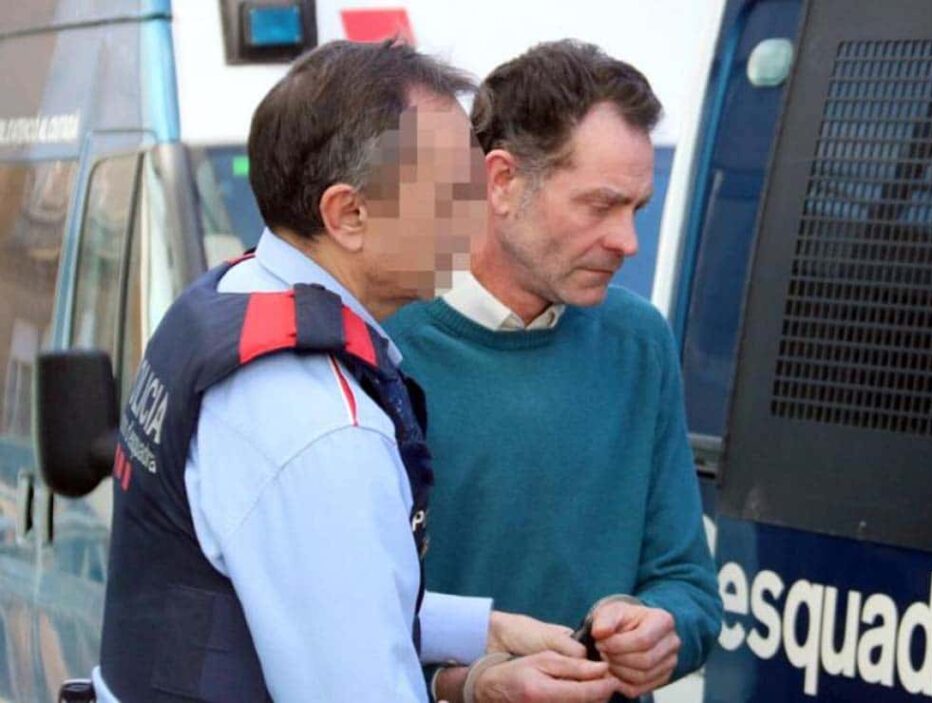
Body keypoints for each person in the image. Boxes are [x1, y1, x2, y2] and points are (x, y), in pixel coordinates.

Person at [92, 40, 617, 703]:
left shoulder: (226, 299)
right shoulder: (324, 425)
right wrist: (472, 688)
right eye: (453, 192)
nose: (480, 213)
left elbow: (308, 592)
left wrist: (486, 629)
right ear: (349, 215)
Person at [384, 40, 721, 701]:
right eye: (600, 205)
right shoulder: (382, 347)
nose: (628, 241)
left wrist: (659, 628)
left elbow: (690, 587)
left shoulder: (639, 342)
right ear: (502, 182)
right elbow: (333, 621)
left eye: (636, 208)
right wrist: (465, 686)